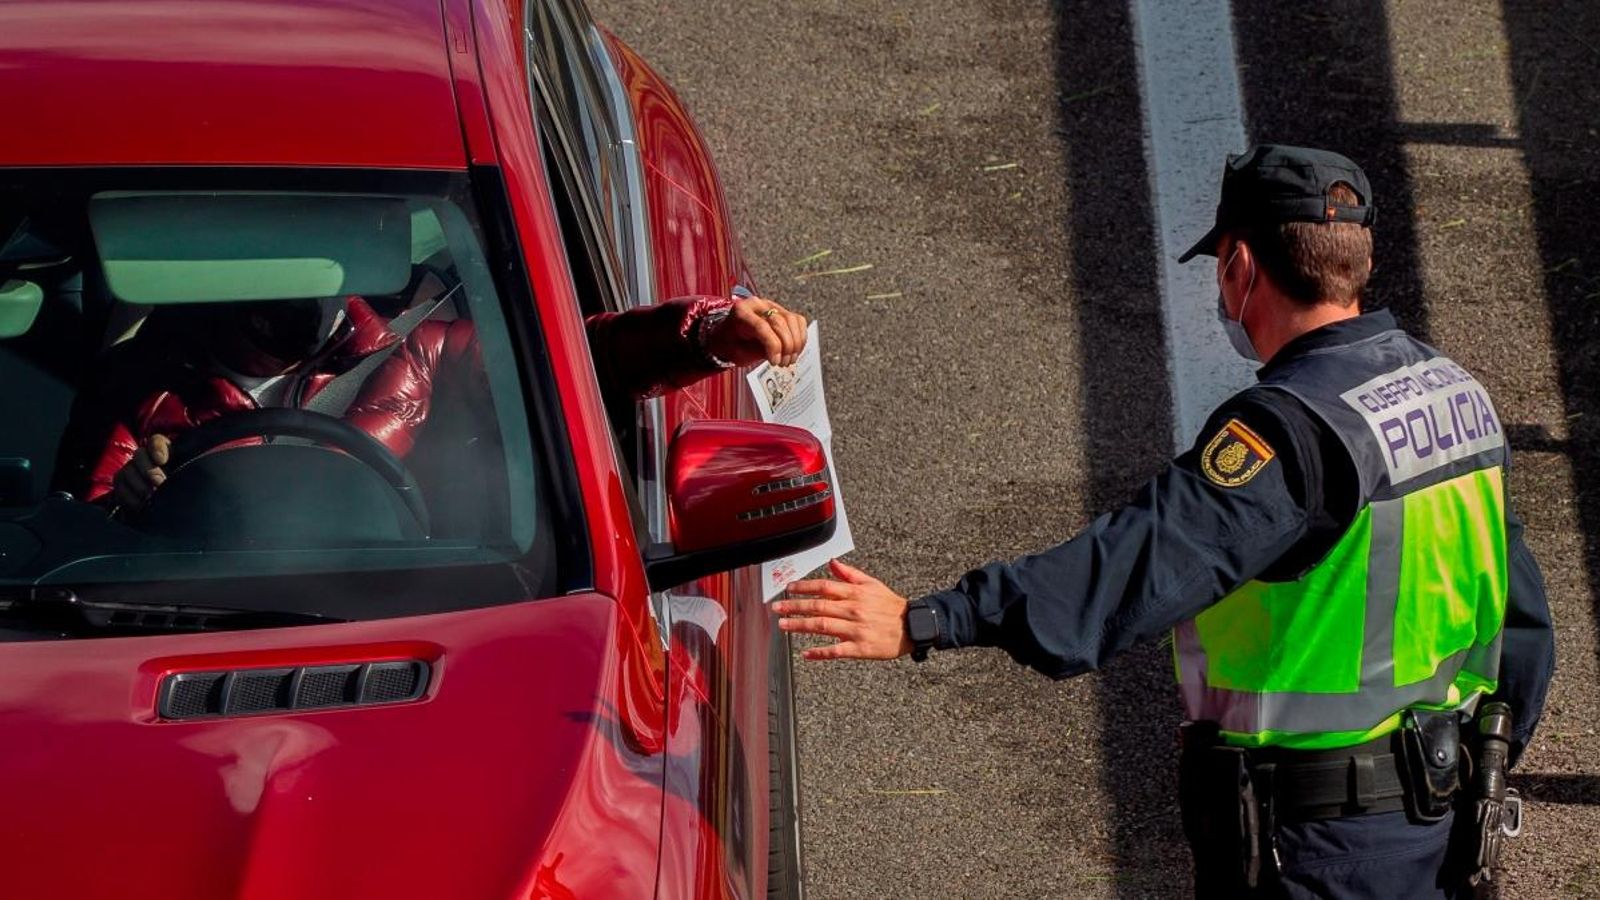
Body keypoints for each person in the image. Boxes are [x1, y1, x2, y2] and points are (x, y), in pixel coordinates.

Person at [773, 146, 1554, 899]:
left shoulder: (1292, 431)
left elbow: (1141, 562)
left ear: (1240, 268)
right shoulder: (1456, 395)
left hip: (1320, 848)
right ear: (1358, 262)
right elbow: (1521, 627)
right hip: (1440, 824)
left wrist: (931, 619)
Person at [54, 287, 807, 509]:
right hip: (200, 626)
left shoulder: (408, 348)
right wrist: (130, 500)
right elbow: (83, 551)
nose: (299, 303)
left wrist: (701, 335)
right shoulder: (137, 388)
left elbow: (574, 361)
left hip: (393, 604)